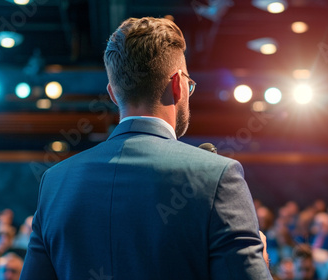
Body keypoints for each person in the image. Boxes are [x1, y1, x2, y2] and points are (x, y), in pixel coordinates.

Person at [20, 17, 271, 280]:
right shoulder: (219, 176)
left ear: (114, 94)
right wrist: (261, 262)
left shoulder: (55, 182)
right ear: (178, 85)